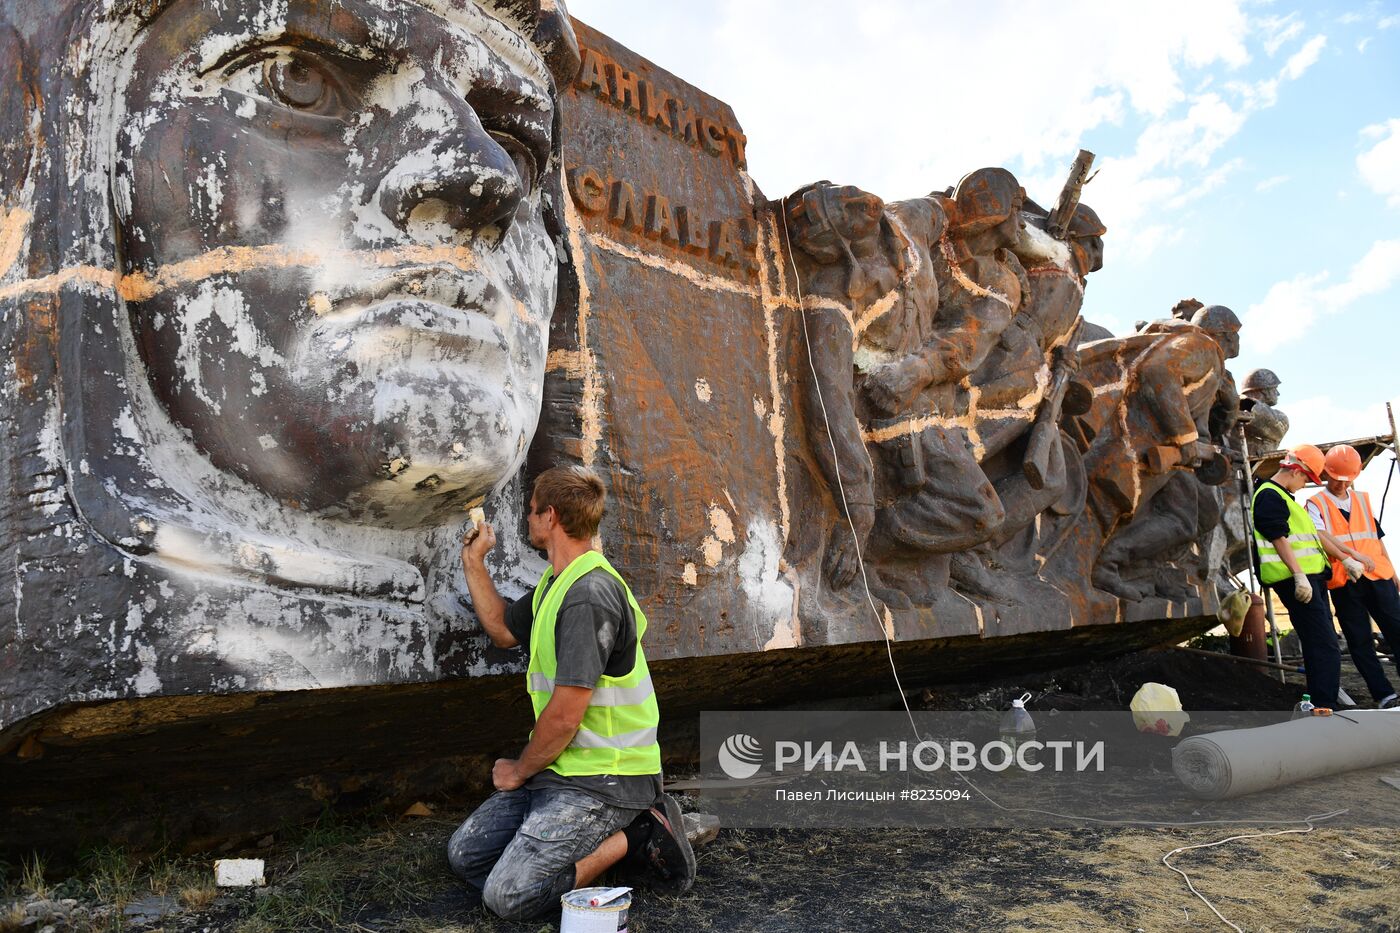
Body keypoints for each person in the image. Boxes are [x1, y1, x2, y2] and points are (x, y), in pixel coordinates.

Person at [447, 465, 695, 919]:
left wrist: (519, 770)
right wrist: (472, 561)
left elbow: (564, 716)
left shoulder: (589, 596)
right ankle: (582, 841)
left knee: (508, 897)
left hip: (606, 778)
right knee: (466, 856)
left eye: (531, 511)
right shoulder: (555, 584)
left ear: (551, 517)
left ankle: (639, 833)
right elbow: (503, 629)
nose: (527, 519)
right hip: (563, 766)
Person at [1250, 445, 1367, 709]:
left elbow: (1312, 537)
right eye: (1305, 478)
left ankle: (1320, 703)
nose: (1304, 485)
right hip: (1297, 581)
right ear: (1295, 469)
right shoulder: (1270, 495)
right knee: (1323, 645)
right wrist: (1299, 575)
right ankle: (1325, 706)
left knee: (1322, 644)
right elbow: (1276, 536)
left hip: (1309, 580)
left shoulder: (1284, 497)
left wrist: (1345, 559)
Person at [1306, 445, 1400, 709]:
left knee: (1397, 630)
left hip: (1379, 576)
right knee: (1359, 641)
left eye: (1346, 479)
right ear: (1326, 473)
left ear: (1355, 476)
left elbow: (1377, 539)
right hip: (1345, 582)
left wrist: (1393, 572)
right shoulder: (1315, 504)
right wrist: (1349, 559)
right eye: (1336, 478)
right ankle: (1384, 695)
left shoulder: (1361, 500)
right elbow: (1321, 538)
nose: (1340, 484)